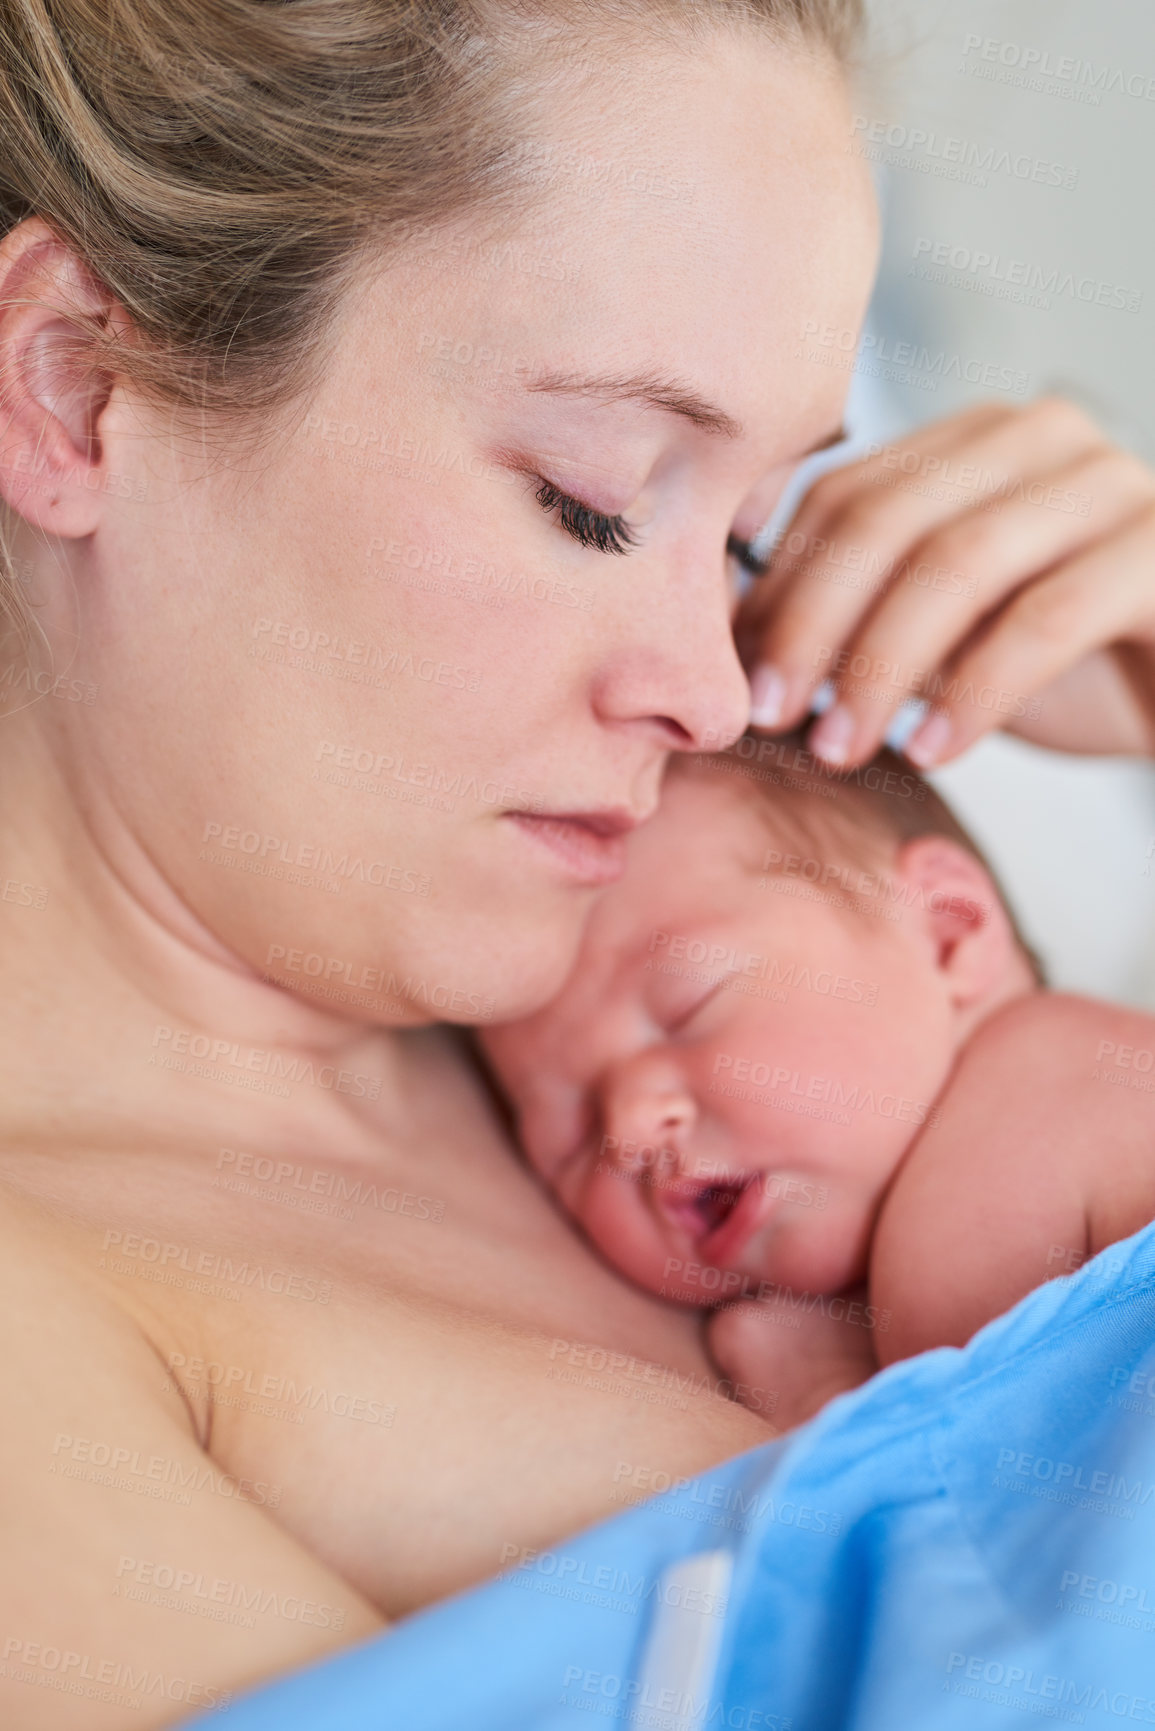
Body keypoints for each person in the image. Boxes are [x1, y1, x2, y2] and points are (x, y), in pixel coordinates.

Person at [0, 0, 1153, 1726]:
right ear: (77, 388)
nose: (704, 690)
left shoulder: (743, 952)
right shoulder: (54, 1337)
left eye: (751, 523)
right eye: (595, 499)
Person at [481, 730, 1155, 1428]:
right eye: (568, 1136)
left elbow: (993, 1494)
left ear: (947, 931)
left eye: (689, 1005)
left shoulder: (1042, 1099)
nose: (627, 1125)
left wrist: (819, 1395)